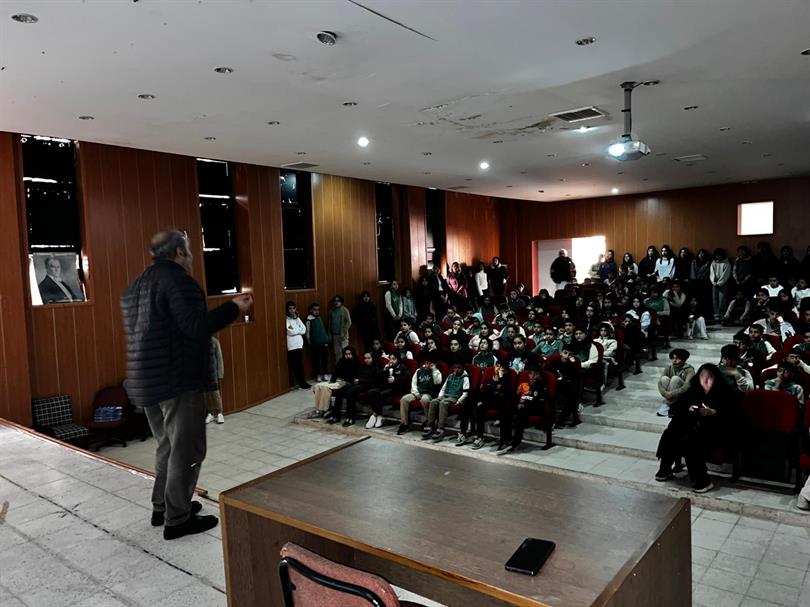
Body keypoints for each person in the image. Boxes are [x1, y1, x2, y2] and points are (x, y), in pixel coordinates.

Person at [121, 230, 251, 539]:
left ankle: (163, 507)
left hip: (147, 380)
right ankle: (177, 518)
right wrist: (234, 308)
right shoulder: (179, 281)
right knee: (187, 450)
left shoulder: (138, 285)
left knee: (167, 446)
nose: (192, 257)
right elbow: (196, 327)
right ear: (179, 252)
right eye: (190, 250)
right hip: (178, 380)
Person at [655, 364, 744, 493]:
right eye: (702, 376)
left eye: (710, 377)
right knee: (671, 432)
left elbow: (733, 417)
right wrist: (689, 409)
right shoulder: (694, 390)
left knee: (690, 440)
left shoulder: (726, 393)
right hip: (694, 428)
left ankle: (702, 480)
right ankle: (665, 469)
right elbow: (677, 408)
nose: (705, 381)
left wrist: (713, 412)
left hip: (718, 432)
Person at [461, 361, 513, 450]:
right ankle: (475, 436)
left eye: (501, 367)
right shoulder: (490, 379)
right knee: (472, 401)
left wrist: (501, 378)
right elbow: (484, 391)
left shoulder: (506, 380)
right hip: (489, 401)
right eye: (497, 366)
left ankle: (504, 441)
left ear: (505, 370)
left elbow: (509, 393)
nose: (498, 369)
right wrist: (480, 400)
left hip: (501, 403)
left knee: (505, 409)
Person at [499, 365, 548, 454]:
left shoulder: (542, 386)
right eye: (531, 374)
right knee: (506, 411)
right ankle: (504, 440)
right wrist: (518, 403)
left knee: (522, 412)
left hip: (533, 408)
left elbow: (538, 400)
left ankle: (516, 440)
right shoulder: (524, 384)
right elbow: (516, 396)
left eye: (535, 374)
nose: (532, 376)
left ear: (540, 375)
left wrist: (524, 403)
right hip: (521, 405)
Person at [329, 352, 382, 427]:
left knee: (350, 392)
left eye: (369, 358)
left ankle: (350, 418)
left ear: (373, 358)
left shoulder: (376, 367)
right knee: (341, 390)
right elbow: (357, 375)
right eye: (365, 358)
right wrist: (356, 379)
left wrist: (360, 381)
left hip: (368, 386)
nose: (366, 360)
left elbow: (374, 380)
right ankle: (336, 416)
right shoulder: (363, 366)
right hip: (359, 383)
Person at [423, 362, 470, 442]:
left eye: (459, 368)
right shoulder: (450, 376)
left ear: (463, 369)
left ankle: (441, 428)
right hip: (445, 395)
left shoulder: (465, 378)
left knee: (443, 403)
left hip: (455, 397)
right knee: (433, 401)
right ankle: (430, 425)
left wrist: (458, 402)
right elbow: (443, 389)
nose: (456, 370)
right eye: (455, 368)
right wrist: (439, 397)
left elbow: (465, 393)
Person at [364, 352, 410, 429]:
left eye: (394, 359)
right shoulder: (389, 367)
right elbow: (380, 379)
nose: (391, 361)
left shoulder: (402, 367)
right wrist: (384, 370)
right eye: (390, 359)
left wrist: (395, 379)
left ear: (398, 359)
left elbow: (407, 378)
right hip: (386, 387)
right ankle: (379, 415)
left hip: (398, 388)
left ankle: (374, 415)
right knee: (371, 392)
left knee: (381, 394)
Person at [398, 360, 442, 435]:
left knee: (424, 400)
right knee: (404, 399)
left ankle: (429, 422)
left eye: (429, 363)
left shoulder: (436, 372)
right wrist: (416, 393)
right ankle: (405, 423)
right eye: (426, 363)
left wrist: (434, 370)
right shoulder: (418, 371)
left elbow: (437, 382)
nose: (427, 365)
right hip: (417, 392)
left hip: (428, 393)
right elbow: (414, 384)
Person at [314, 346, 358, 418]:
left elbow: (353, 376)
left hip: (345, 382)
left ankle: (324, 409)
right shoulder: (341, 360)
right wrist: (332, 380)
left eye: (349, 354)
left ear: (352, 354)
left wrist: (350, 361)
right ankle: (317, 409)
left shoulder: (355, 362)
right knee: (317, 386)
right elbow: (336, 371)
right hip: (336, 380)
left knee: (326, 388)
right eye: (346, 354)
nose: (348, 356)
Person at [656, 349, 695, 417]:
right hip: (670, 394)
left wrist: (671, 394)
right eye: (673, 358)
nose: (674, 360)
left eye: (677, 358)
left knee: (675, 378)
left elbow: (687, 386)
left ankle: (667, 405)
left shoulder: (690, 370)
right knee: (664, 379)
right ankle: (670, 405)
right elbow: (660, 383)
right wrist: (665, 394)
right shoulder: (669, 368)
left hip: (684, 394)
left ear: (684, 359)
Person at [285, 301, 310, 390]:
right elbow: (290, 331)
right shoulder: (286, 319)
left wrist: (297, 330)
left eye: (293, 308)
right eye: (290, 308)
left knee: (300, 365)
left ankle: (302, 382)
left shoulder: (297, 318)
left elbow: (304, 329)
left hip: (299, 344)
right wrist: (298, 330)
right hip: (291, 346)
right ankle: (295, 383)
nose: (292, 310)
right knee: (294, 365)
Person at [305, 303, 330, 382]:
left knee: (325, 359)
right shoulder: (308, 320)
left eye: (318, 310)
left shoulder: (319, 318)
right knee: (316, 360)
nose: (317, 311)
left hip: (324, 342)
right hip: (315, 343)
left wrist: (326, 338)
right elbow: (307, 332)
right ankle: (318, 374)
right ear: (311, 310)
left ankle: (325, 373)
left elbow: (322, 329)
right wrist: (310, 342)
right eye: (315, 310)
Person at [204, 336, 225, 424]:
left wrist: (220, 374)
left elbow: (220, 359)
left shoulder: (215, 342)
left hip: (213, 373)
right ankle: (210, 414)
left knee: (215, 393)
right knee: (206, 394)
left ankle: (220, 413)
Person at [710, 248, 732, 322]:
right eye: (717, 255)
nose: (718, 256)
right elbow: (712, 273)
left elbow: (726, 274)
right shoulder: (713, 263)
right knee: (714, 299)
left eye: (719, 255)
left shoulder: (726, 263)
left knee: (722, 299)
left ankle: (721, 315)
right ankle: (716, 315)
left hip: (723, 283)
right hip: (714, 283)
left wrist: (719, 283)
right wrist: (713, 282)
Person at [327, 295, 352, 363]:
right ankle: (339, 367)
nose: (336, 302)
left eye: (338, 301)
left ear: (341, 302)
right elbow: (329, 324)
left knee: (345, 352)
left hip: (343, 335)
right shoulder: (331, 311)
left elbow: (349, 322)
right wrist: (329, 334)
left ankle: (347, 367)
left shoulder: (344, 310)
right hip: (335, 335)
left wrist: (343, 331)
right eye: (335, 301)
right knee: (337, 353)